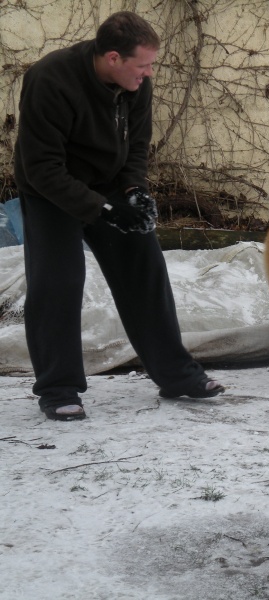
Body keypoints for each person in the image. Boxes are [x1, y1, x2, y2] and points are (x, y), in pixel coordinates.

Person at [13, 11, 224, 421]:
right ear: (113, 57)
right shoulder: (50, 79)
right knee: (58, 280)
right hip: (50, 191)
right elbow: (42, 168)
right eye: (142, 65)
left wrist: (133, 193)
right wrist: (103, 210)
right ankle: (59, 389)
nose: (148, 74)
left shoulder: (134, 85)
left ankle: (177, 375)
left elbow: (138, 146)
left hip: (109, 185)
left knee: (145, 269)